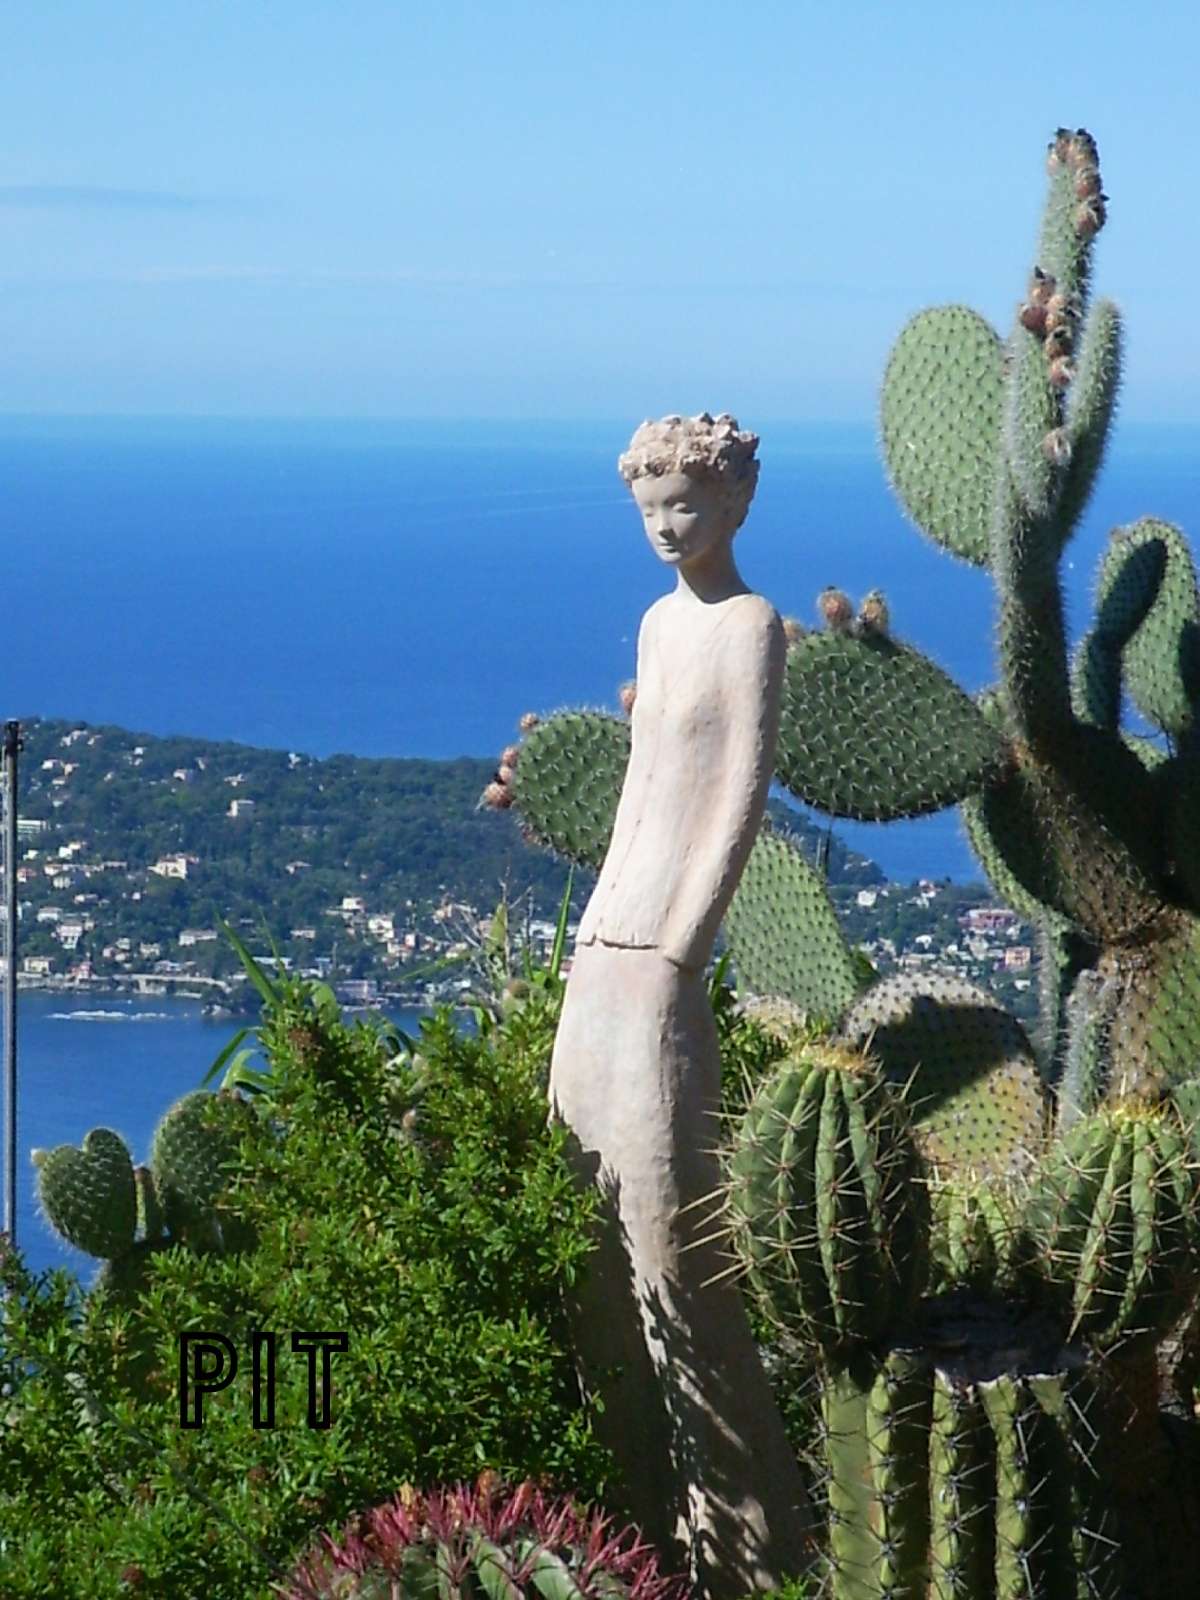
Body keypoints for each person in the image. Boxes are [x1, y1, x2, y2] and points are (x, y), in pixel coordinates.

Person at [548, 414, 813, 1600]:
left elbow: (739, 789)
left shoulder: (752, 627)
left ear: (735, 502)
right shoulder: (658, 626)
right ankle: (625, 1542)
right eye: (650, 506)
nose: (666, 524)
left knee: (674, 1267)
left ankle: (747, 1558)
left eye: (687, 504)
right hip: (603, 947)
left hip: (660, 957)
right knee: (589, 1258)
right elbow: (635, 793)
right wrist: (591, 943)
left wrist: (682, 950)